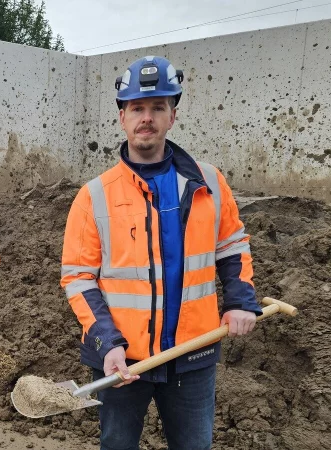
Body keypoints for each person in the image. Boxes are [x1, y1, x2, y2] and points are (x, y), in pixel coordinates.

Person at [60, 56, 262, 449]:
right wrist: (107, 341)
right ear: (122, 117)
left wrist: (240, 300)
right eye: (137, 108)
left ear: (173, 115)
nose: (146, 117)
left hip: (194, 353)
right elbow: (78, 276)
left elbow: (232, 245)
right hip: (123, 361)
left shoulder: (209, 183)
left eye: (157, 107)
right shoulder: (94, 196)